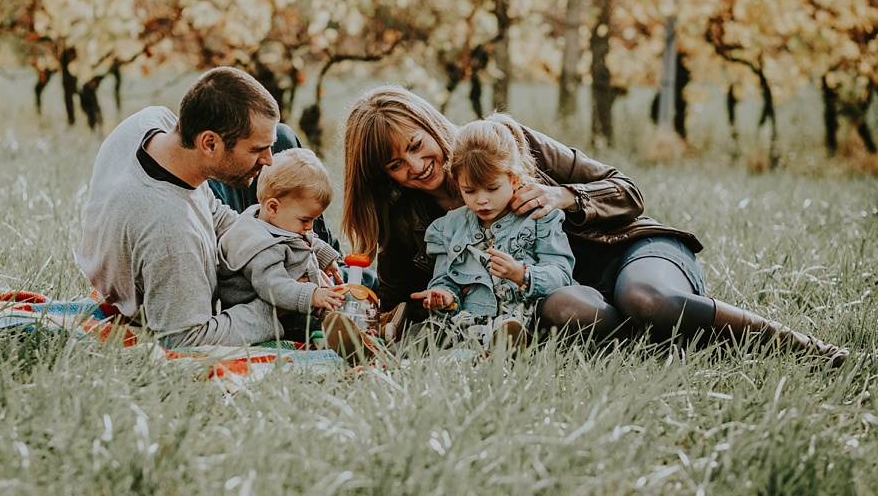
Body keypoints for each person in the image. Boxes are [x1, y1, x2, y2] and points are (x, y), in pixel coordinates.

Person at [342, 86, 848, 362]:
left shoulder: (503, 141)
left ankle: (809, 350)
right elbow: (396, 296)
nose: (415, 166)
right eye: (394, 164)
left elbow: (627, 192)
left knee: (646, 300)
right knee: (565, 310)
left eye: (416, 145)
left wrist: (564, 196)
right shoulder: (408, 219)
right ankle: (658, 344)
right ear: (381, 176)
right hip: (566, 292)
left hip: (626, 252)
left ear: (431, 126)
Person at [77, 66, 281, 350]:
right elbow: (184, 339)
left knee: (284, 136)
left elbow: (214, 213)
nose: (269, 160)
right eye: (257, 150)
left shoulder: (149, 122)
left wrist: (286, 246)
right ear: (209, 143)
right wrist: (278, 311)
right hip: (159, 280)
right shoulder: (171, 234)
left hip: (135, 242)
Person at [414, 116, 576, 351]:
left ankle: (506, 349)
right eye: (469, 191)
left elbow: (562, 275)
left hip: (519, 318)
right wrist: (444, 296)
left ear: (514, 179)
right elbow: (445, 280)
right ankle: (379, 354)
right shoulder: (448, 228)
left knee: (510, 329)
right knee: (427, 331)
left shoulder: (539, 218)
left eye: (492, 188)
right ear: (457, 183)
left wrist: (521, 273)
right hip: (467, 320)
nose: (482, 200)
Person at [218, 150, 345, 329]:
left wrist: (324, 254)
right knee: (319, 324)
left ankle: (377, 320)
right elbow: (274, 287)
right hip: (275, 313)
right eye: (305, 220)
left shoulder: (279, 223)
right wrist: (313, 295)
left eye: (314, 220)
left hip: (296, 298)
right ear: (273, 207)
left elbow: (303, 240)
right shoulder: (259, 246)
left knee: (343, 296)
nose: (310, 226)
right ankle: (342, 333)